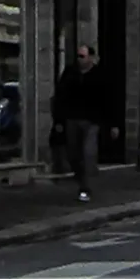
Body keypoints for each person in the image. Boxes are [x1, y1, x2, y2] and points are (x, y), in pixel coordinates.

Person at [52, 43, 106, 200]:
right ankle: (81, 178)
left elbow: (106, 99)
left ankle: (86, 186)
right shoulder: (70, 73)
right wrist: (59, 119)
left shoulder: (98, 75)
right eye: (78, 56)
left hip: (91, 120)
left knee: (88, 152)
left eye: (82, 56)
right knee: (73, 154)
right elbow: (60, 96)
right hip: (72, 118)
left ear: (91, 58)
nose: (79, 59)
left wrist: (109, 122)